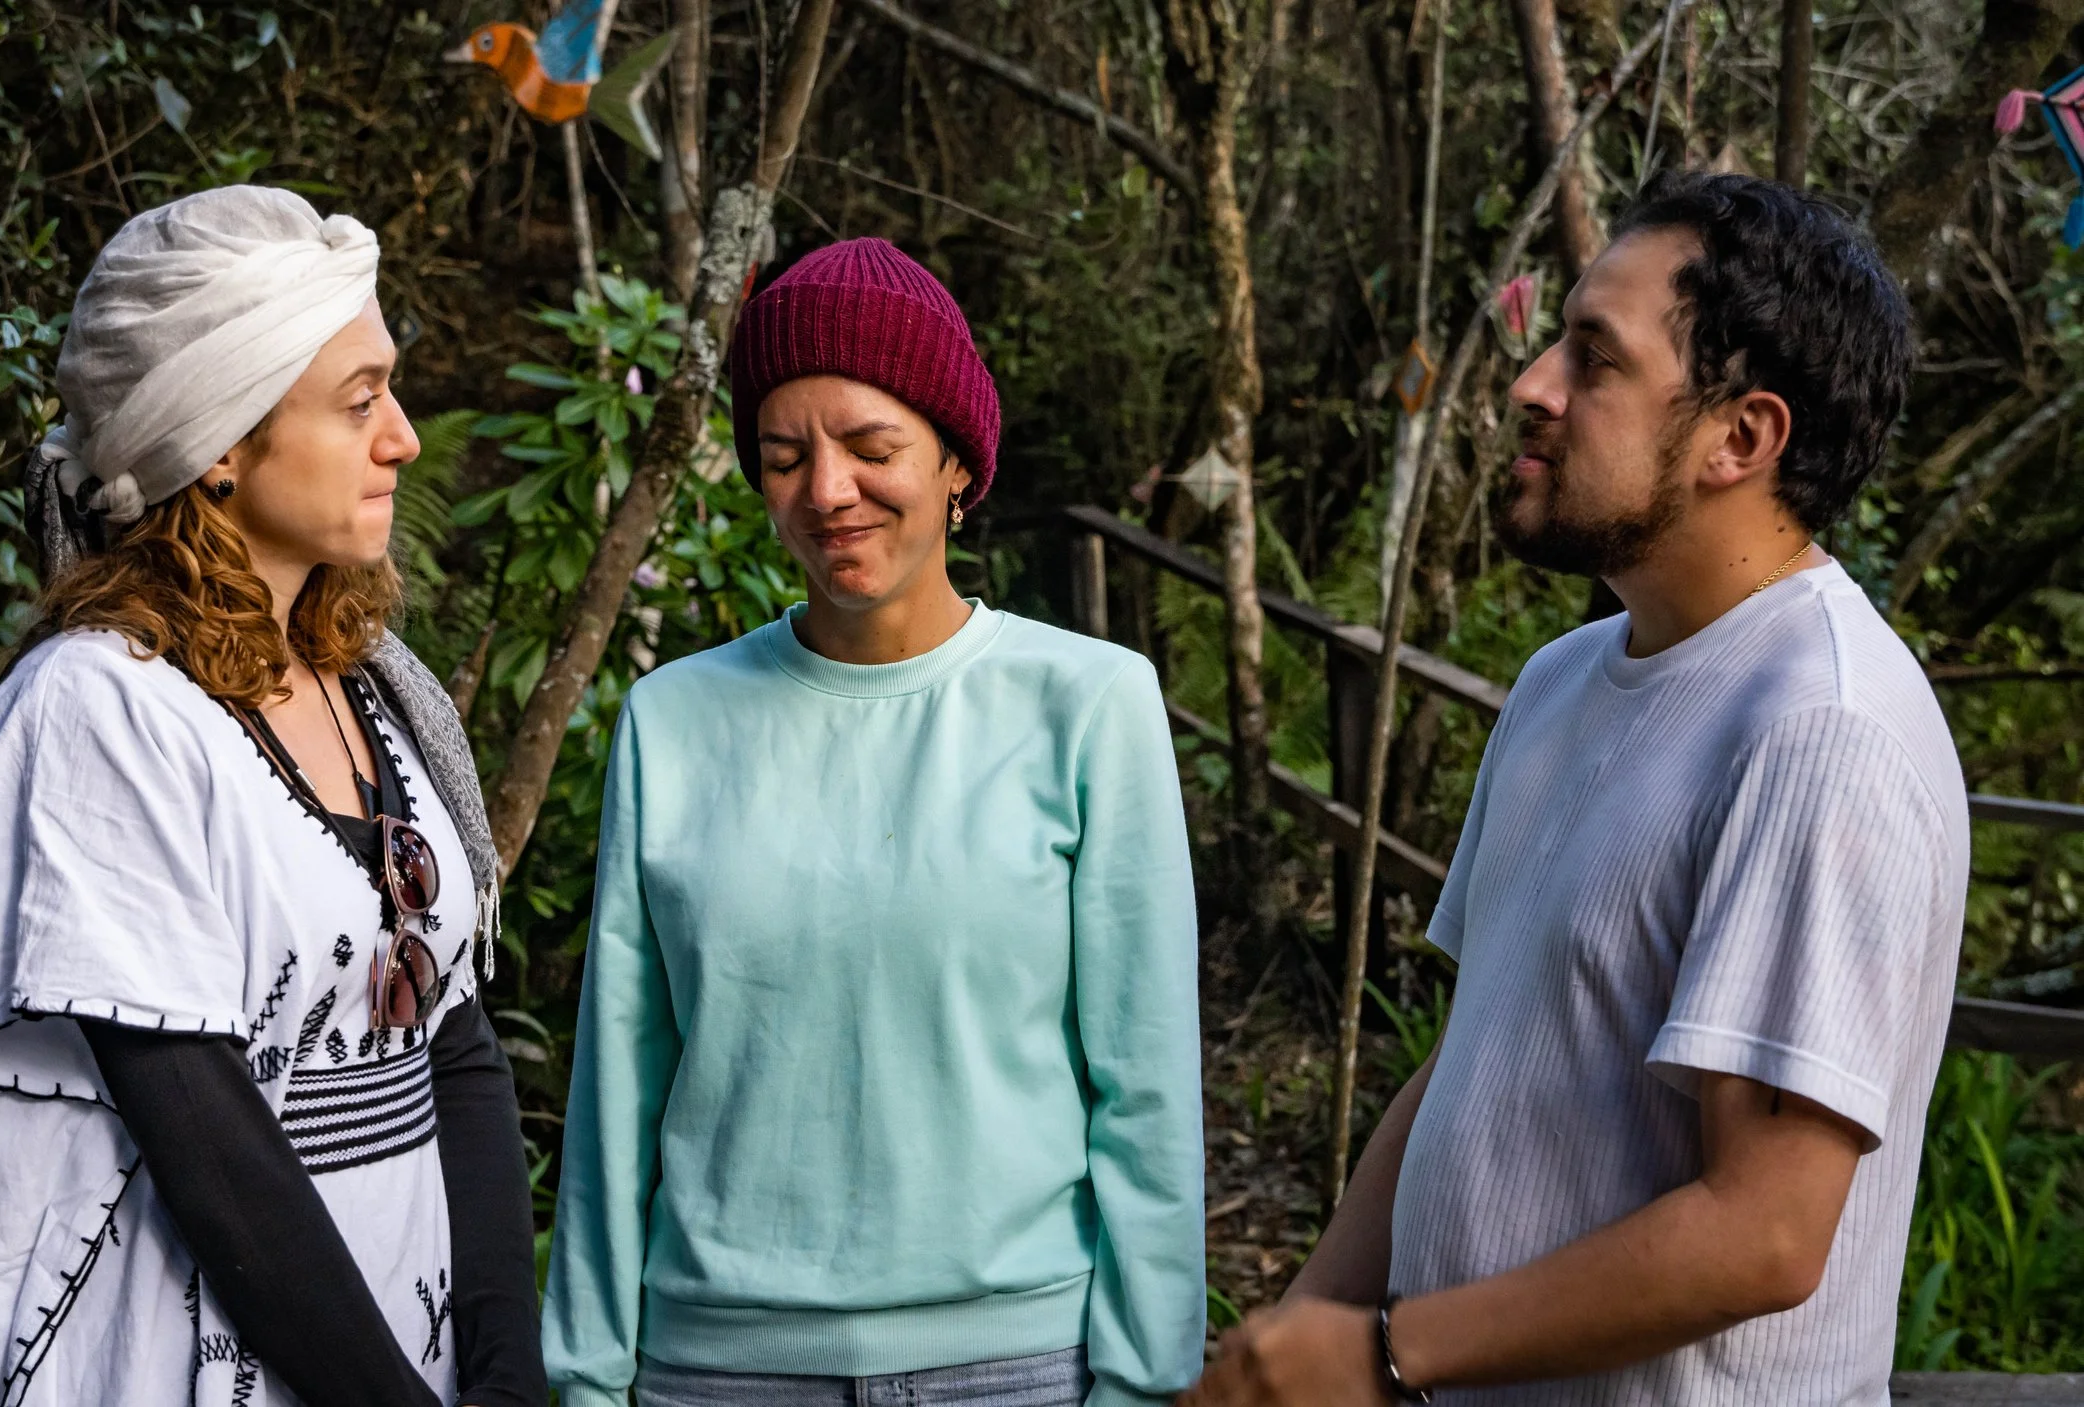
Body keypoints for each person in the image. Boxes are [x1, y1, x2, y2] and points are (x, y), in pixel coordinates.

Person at [1185, 173, 1967, 1407]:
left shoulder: (1821, 730)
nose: (1531, 384)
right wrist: (1300, 1335)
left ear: (1739, 438)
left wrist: (1384, 1353)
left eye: (1594, 360)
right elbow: (1470, 1066)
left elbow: (1765, 1233)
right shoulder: (1561, 679)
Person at [540, 238, 1207, 1407]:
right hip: (717, 1372)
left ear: (957, 462)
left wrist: (1143, 1380)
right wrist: (590, 1378)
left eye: (871, 447)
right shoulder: (673, 719)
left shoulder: (1089, 704)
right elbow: (617, 1082)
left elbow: (1143, 1083)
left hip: (1015, 1370)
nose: (827, 490)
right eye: (784, 456)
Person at [0, 186, 543, 1407]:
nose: (404, 437)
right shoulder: (100, 715)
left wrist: (506, 1379)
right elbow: (208, 1147)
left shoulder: (376, 688)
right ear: (217, 440)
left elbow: (454, 1049)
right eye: (359, 402)